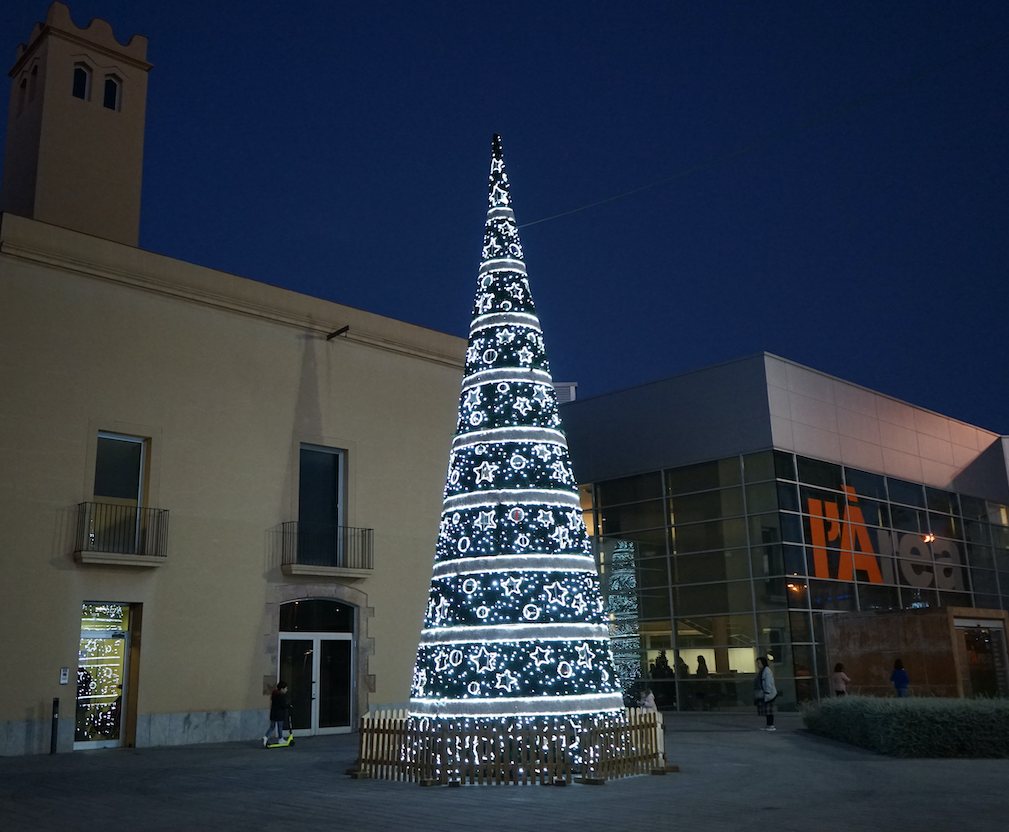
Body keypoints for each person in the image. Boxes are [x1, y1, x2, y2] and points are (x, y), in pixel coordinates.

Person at [754, 656, 777, 731]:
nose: (757, 665)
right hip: (766, 693)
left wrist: (768, 692)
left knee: (769, 710)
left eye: (759, 663)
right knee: (767, 710)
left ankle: (771, 725)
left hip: (768, 694)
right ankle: (768, 725)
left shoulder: (766, 671)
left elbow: (768, 683)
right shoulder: (763, 671)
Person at [263, 681, 290, 746]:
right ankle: (280, 739)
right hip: (279, 713)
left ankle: (266, 737)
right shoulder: (282, 696)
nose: (286, 690)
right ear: (282, 689)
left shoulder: (274, 695)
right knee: (280, 726)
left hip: (273, 713)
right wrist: (288, 706)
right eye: (285, 688)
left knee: (272, 726)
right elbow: (283, 704)